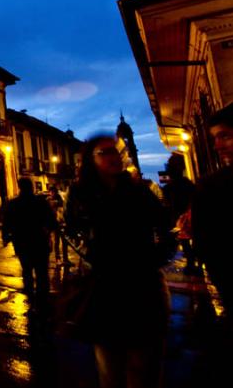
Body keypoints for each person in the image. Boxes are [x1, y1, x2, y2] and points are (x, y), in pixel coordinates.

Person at [65, 135, 169, 388]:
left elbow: (166, 227)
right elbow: (72, 229)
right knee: (109, 366)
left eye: (118, 152)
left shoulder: (140, 191)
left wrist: (154, 258)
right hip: (104, 288)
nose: (115, 157)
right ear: (91, 159)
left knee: (144, 364)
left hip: (142, 284)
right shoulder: (80, 194)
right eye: (106, 152)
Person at [192, 100, 233, 344]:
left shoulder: (213, 187)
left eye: (225, 136)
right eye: (215, 139)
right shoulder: (211, 187)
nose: (217, 146)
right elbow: (208, 245)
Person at [2, 177, 56, 308]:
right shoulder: (40, 202)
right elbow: (51, 221)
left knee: (26, 270)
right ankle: (43, 303)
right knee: (42, 272)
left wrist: (6, 238)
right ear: (31, 187)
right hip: (40, 243)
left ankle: (31, 299)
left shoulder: (12, 204)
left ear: (19, 187)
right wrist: (49, 231)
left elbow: (6, 223)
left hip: (22, 243)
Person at [162, 154, 197, 273]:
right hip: (189, 213)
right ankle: (194, 261)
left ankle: (191, 262)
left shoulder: (169, 188)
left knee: (185, 240)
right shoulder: (188, 184)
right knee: (191, 239)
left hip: (181, 215)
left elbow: (169, 204)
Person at [47, 185, 70, 266]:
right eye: (51, 192)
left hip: (61, 223)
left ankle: (65, 259)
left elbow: (62, 207)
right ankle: (58, 259)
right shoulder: (48, 200)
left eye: (53, 191)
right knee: (56, 242)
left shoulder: (59, 199)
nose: (52, 193)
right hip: (54, 224)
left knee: (64, 242)